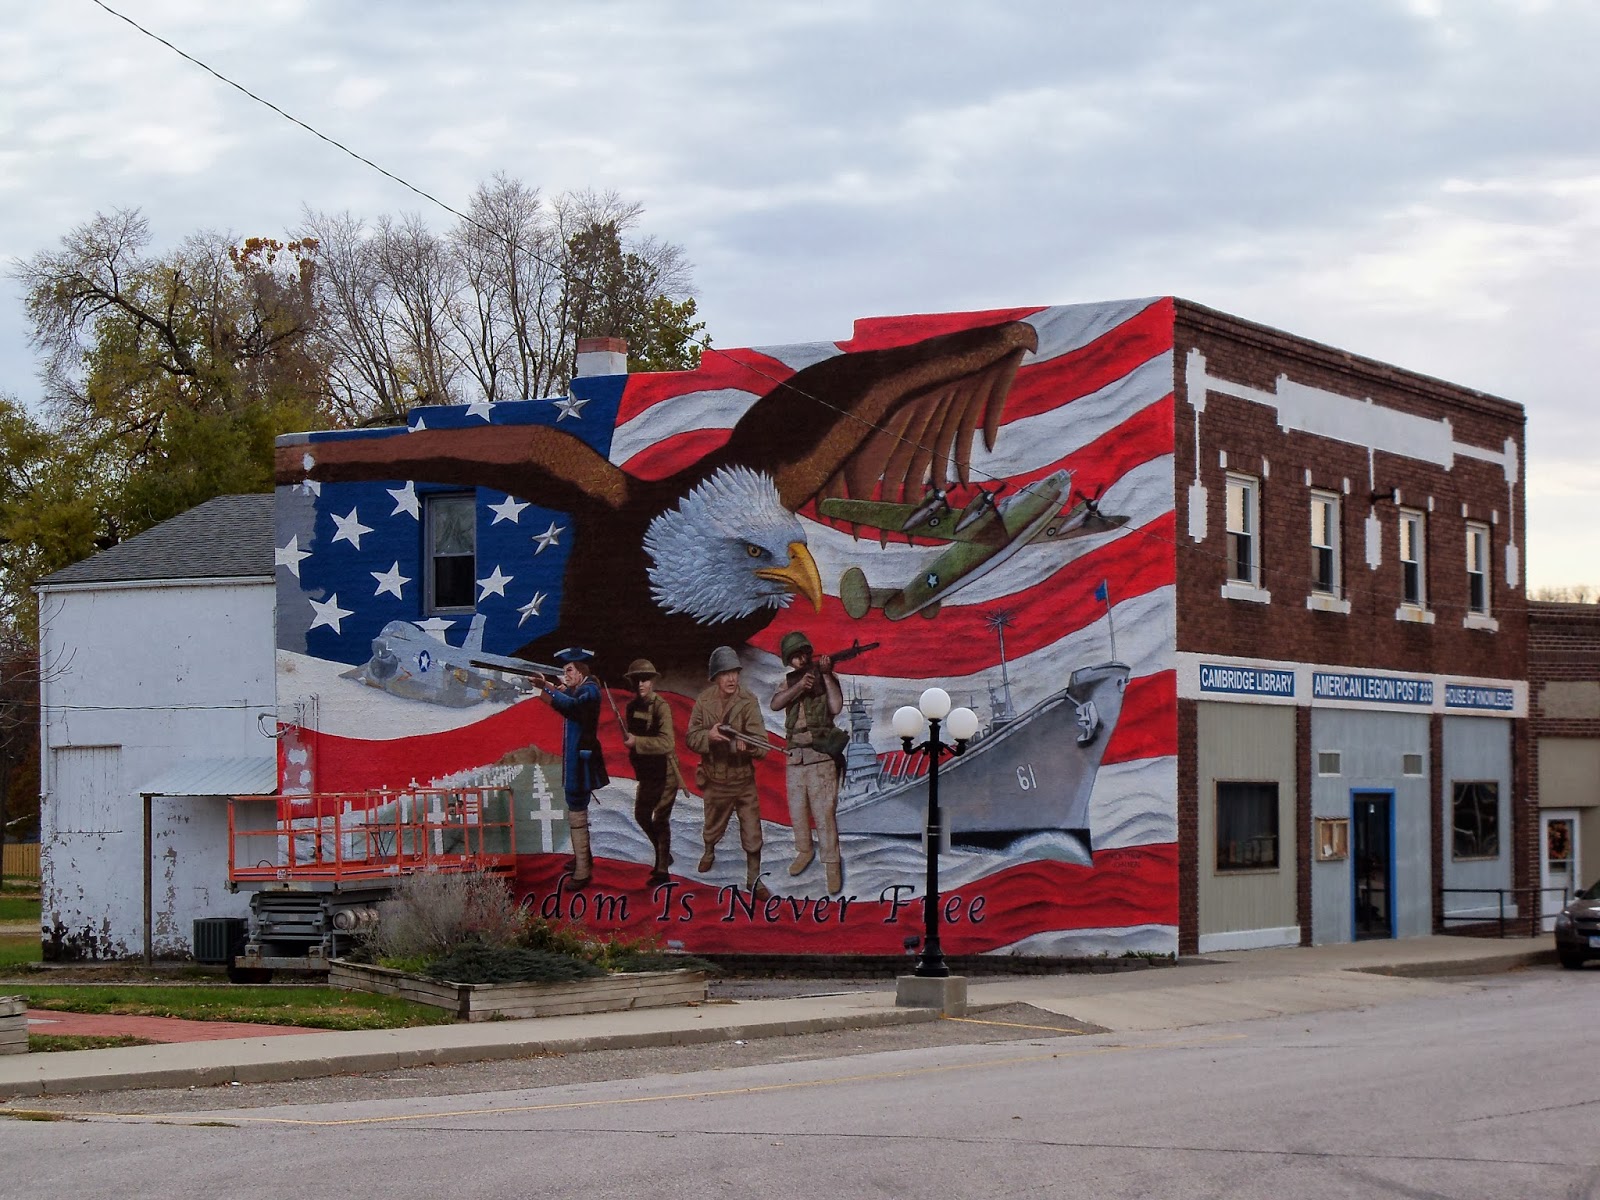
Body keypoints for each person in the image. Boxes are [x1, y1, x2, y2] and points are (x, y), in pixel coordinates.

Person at [686, 645, 770, 893]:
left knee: (753, 834)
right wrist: (709, 736)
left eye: (735, 672)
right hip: (715, 780)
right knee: (712, 828)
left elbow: (762, 746)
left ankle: (754, 879)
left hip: (743, 780)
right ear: (716, 677)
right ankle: (709, 851)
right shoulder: (704, 701)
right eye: (725, 673)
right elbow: (691, 738)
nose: (731, 678)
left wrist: (747, 747)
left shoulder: (748, 701)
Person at [769, 631, 846, 894]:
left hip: (820, 756)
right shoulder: (790, 683)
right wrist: (799, 687)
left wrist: (825, 674)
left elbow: (835, 707)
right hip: (794, 757)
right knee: (798, 812)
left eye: (802, 655)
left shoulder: (826, 679)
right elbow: (775, 704)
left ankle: (832, 865)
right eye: (794, 658)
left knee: (824, 816)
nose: (799, 661)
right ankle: (804, 851)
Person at [534, 647, 610, 888]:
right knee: (575, 806)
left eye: (569, 670)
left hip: (582, 762)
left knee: (576, 808)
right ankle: (582, 857)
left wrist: (549, 688)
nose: (565, 675)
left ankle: (583, 871)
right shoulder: (582, 691)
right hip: (578, 761)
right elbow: (567, 703)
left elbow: (572, 708)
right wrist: (551, 690)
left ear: (581, 671)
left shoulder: (589, 692)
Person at [622, 657, 682, 886]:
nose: (641, 685)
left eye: (645, 680)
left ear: (652, 682)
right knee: (641, 815)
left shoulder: (662, 707)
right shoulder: (631, 708)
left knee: (660, 820)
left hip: (666, 770)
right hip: (647, 773)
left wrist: (637, 742)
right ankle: (663, 851)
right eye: (637, 680)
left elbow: (667, 743)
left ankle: (662, 870)